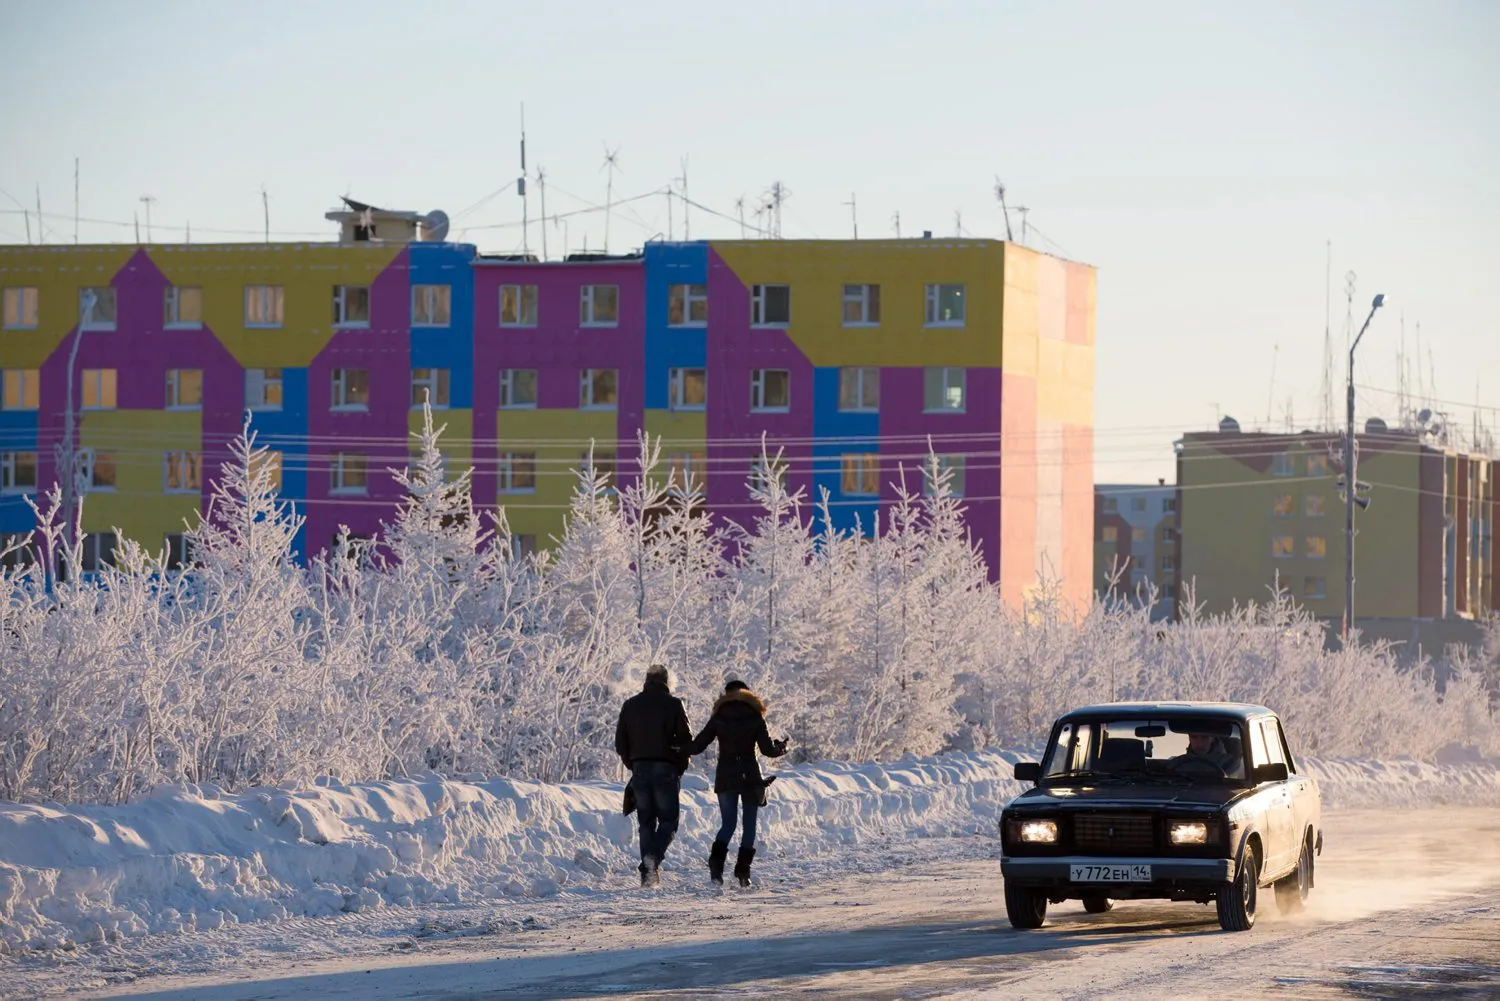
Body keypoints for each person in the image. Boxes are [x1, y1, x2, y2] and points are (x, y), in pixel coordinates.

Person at [688, 679, 788, 886]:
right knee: (749, 825)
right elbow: (768, 750)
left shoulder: (719, 717)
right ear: (748, 695)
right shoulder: (756, 717)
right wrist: (782, 748)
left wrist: (676, 747)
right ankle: (743, 872)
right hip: (750, 776)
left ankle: (716, 868)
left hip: (725, 775)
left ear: (727, 694)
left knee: (728, 824)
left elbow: (698, 745)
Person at [615, 664, 692, 887]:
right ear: (667, 682)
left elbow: (621, 743)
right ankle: (652, 860)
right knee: (669, 820)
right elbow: (686, 740)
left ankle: (648, 873)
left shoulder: (630, 705)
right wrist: (679, 766)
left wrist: (633, 764)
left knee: (646, 822)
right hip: (666, 769)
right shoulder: (675, 705)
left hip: (640, 769)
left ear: (646, 681)